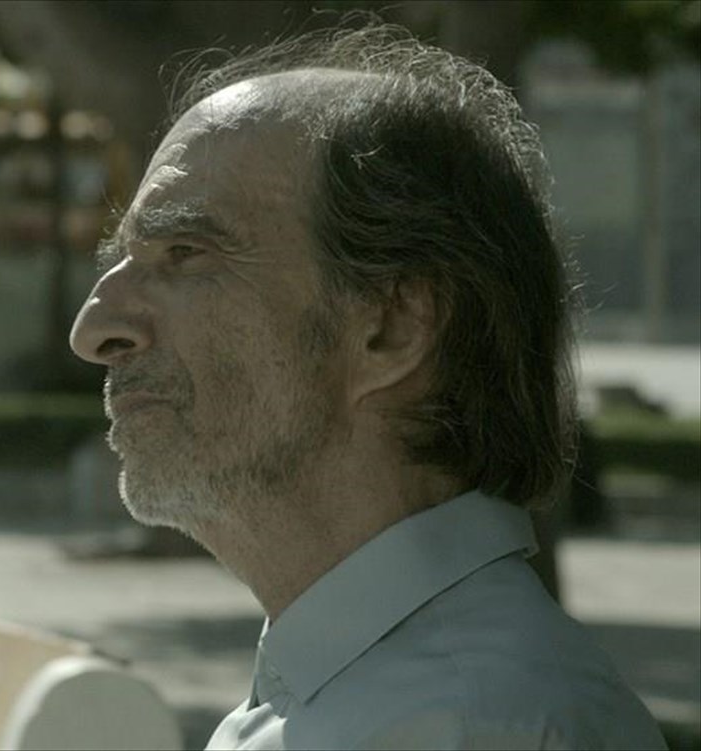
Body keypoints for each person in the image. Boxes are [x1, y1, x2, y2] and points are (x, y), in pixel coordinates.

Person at [68, 23, 666, 751]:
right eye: (120, 261)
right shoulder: (366, 694)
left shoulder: (463, 727)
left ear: (391, 327)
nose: (93, 329)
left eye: (185, 253)